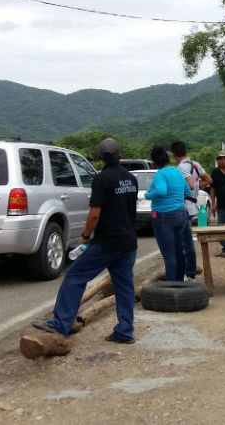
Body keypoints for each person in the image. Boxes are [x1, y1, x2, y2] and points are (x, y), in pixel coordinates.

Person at [33, 138, 139, 344]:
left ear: (100, 157)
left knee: (74, 276)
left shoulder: (102, 180)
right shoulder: (130, 179)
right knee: (124, 286)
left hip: (107, 242)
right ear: (119, 155)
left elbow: (94, 215)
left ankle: (61, 324)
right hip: (128, 242)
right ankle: (125, 332)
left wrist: (85, 236)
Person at [145, 145, 194, 282]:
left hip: (163, 216)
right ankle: (180, 281)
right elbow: (187, 192)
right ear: (168, 158)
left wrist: (149, 195)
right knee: (179, 251)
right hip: (180, 214)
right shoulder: (176, 171)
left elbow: (161, 191)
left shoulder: (160, 174)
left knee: (168, 254)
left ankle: (171, 285)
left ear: (154, 162)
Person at [170, 141, 211, 281]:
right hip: (193, 205)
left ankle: (188, 273)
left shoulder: (181, 167)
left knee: (184, 242)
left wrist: (193, 186)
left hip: (184, 206)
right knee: (187, 241)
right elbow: (209, 180)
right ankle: (190, 272)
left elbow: (190, 184)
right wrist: (199, 185)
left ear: (174, 154)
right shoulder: (195, 164)